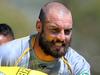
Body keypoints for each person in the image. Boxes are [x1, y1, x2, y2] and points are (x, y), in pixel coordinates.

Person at [0, 2, 90, 75]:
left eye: (67, 31)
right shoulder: (8, 54)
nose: (62, 38)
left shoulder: (78, 66)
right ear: (39, 26)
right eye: (55, 30)